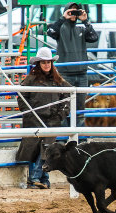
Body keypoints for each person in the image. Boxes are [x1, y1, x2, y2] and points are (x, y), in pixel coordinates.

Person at [16, 47, 71, 189]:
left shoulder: (58, 80)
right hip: (34, 119)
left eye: (49, 62)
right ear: (39, 64)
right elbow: (22, 98)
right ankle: (41, 178)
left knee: (47, 148)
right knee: (38, 148)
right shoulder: (31, 79)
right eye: (44, 62)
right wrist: (30, 113)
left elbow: (68, 95)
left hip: (52, 120)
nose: (47, 65)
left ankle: (35, 177)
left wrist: (59, 115)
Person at [47, 2, 98, 126]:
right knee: (64, 107)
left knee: (80, 109)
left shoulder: (81, 28)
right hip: (65, 73)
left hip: (81, 73)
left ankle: (78, 139)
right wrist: (63, 18)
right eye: (71, 11)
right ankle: (64, 139)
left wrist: (86, 20)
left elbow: (94, 37)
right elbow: (51, 32)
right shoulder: (60, 28)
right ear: (65, 12)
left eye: (76, 11)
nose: (74, 14)